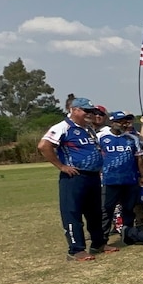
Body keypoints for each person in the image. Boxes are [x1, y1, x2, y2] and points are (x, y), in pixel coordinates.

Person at [39, 98, 116, 261]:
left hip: (93, 176)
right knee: (72, 213)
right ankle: (76, 250)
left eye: (91, 111)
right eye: (85, 111)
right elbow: (43, 146)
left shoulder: (88, 129)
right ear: (74, 110)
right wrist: (61, 166)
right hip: (74, 177)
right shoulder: (63, 127)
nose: (89, 114)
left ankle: (98, 244)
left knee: (94, 213)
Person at [99, 110, 143, 240]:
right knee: (106, 210)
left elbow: (139, 159)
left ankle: (128, 235)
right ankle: (102, 238)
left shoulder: (132, 138)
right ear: (113, 122)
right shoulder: (101, 136)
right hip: (109, 181)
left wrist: (142, 177)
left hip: (130, 180)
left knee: (129, 209)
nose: (125, 124)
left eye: (127, 122)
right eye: (121, 122)